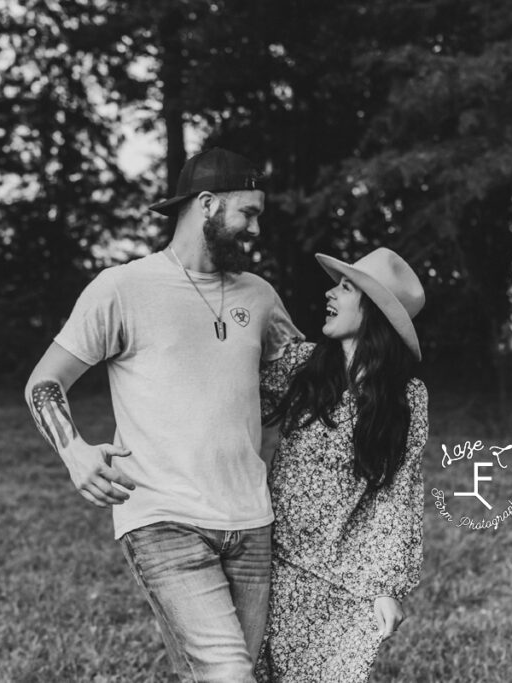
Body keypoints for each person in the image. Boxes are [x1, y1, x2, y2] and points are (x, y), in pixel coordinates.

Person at [24, 148, 301, 682]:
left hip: (251, 520)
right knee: (228, 674)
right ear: (206, 205)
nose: (257, 229)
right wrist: (73, 450)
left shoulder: (260, 296)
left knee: (230, 673)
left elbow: (297, 384)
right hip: (161, 517)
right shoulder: (123, 289)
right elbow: (45, 381)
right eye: (249, 212)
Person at [254, 247, 428, 682]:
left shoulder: (407, 398)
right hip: (272, 562)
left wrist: (385, 587)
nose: (330, 293)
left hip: (347, 579)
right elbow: (232, 390)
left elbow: (398, 495)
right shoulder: (303, 366)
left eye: (345, 287)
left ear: (372, 312)